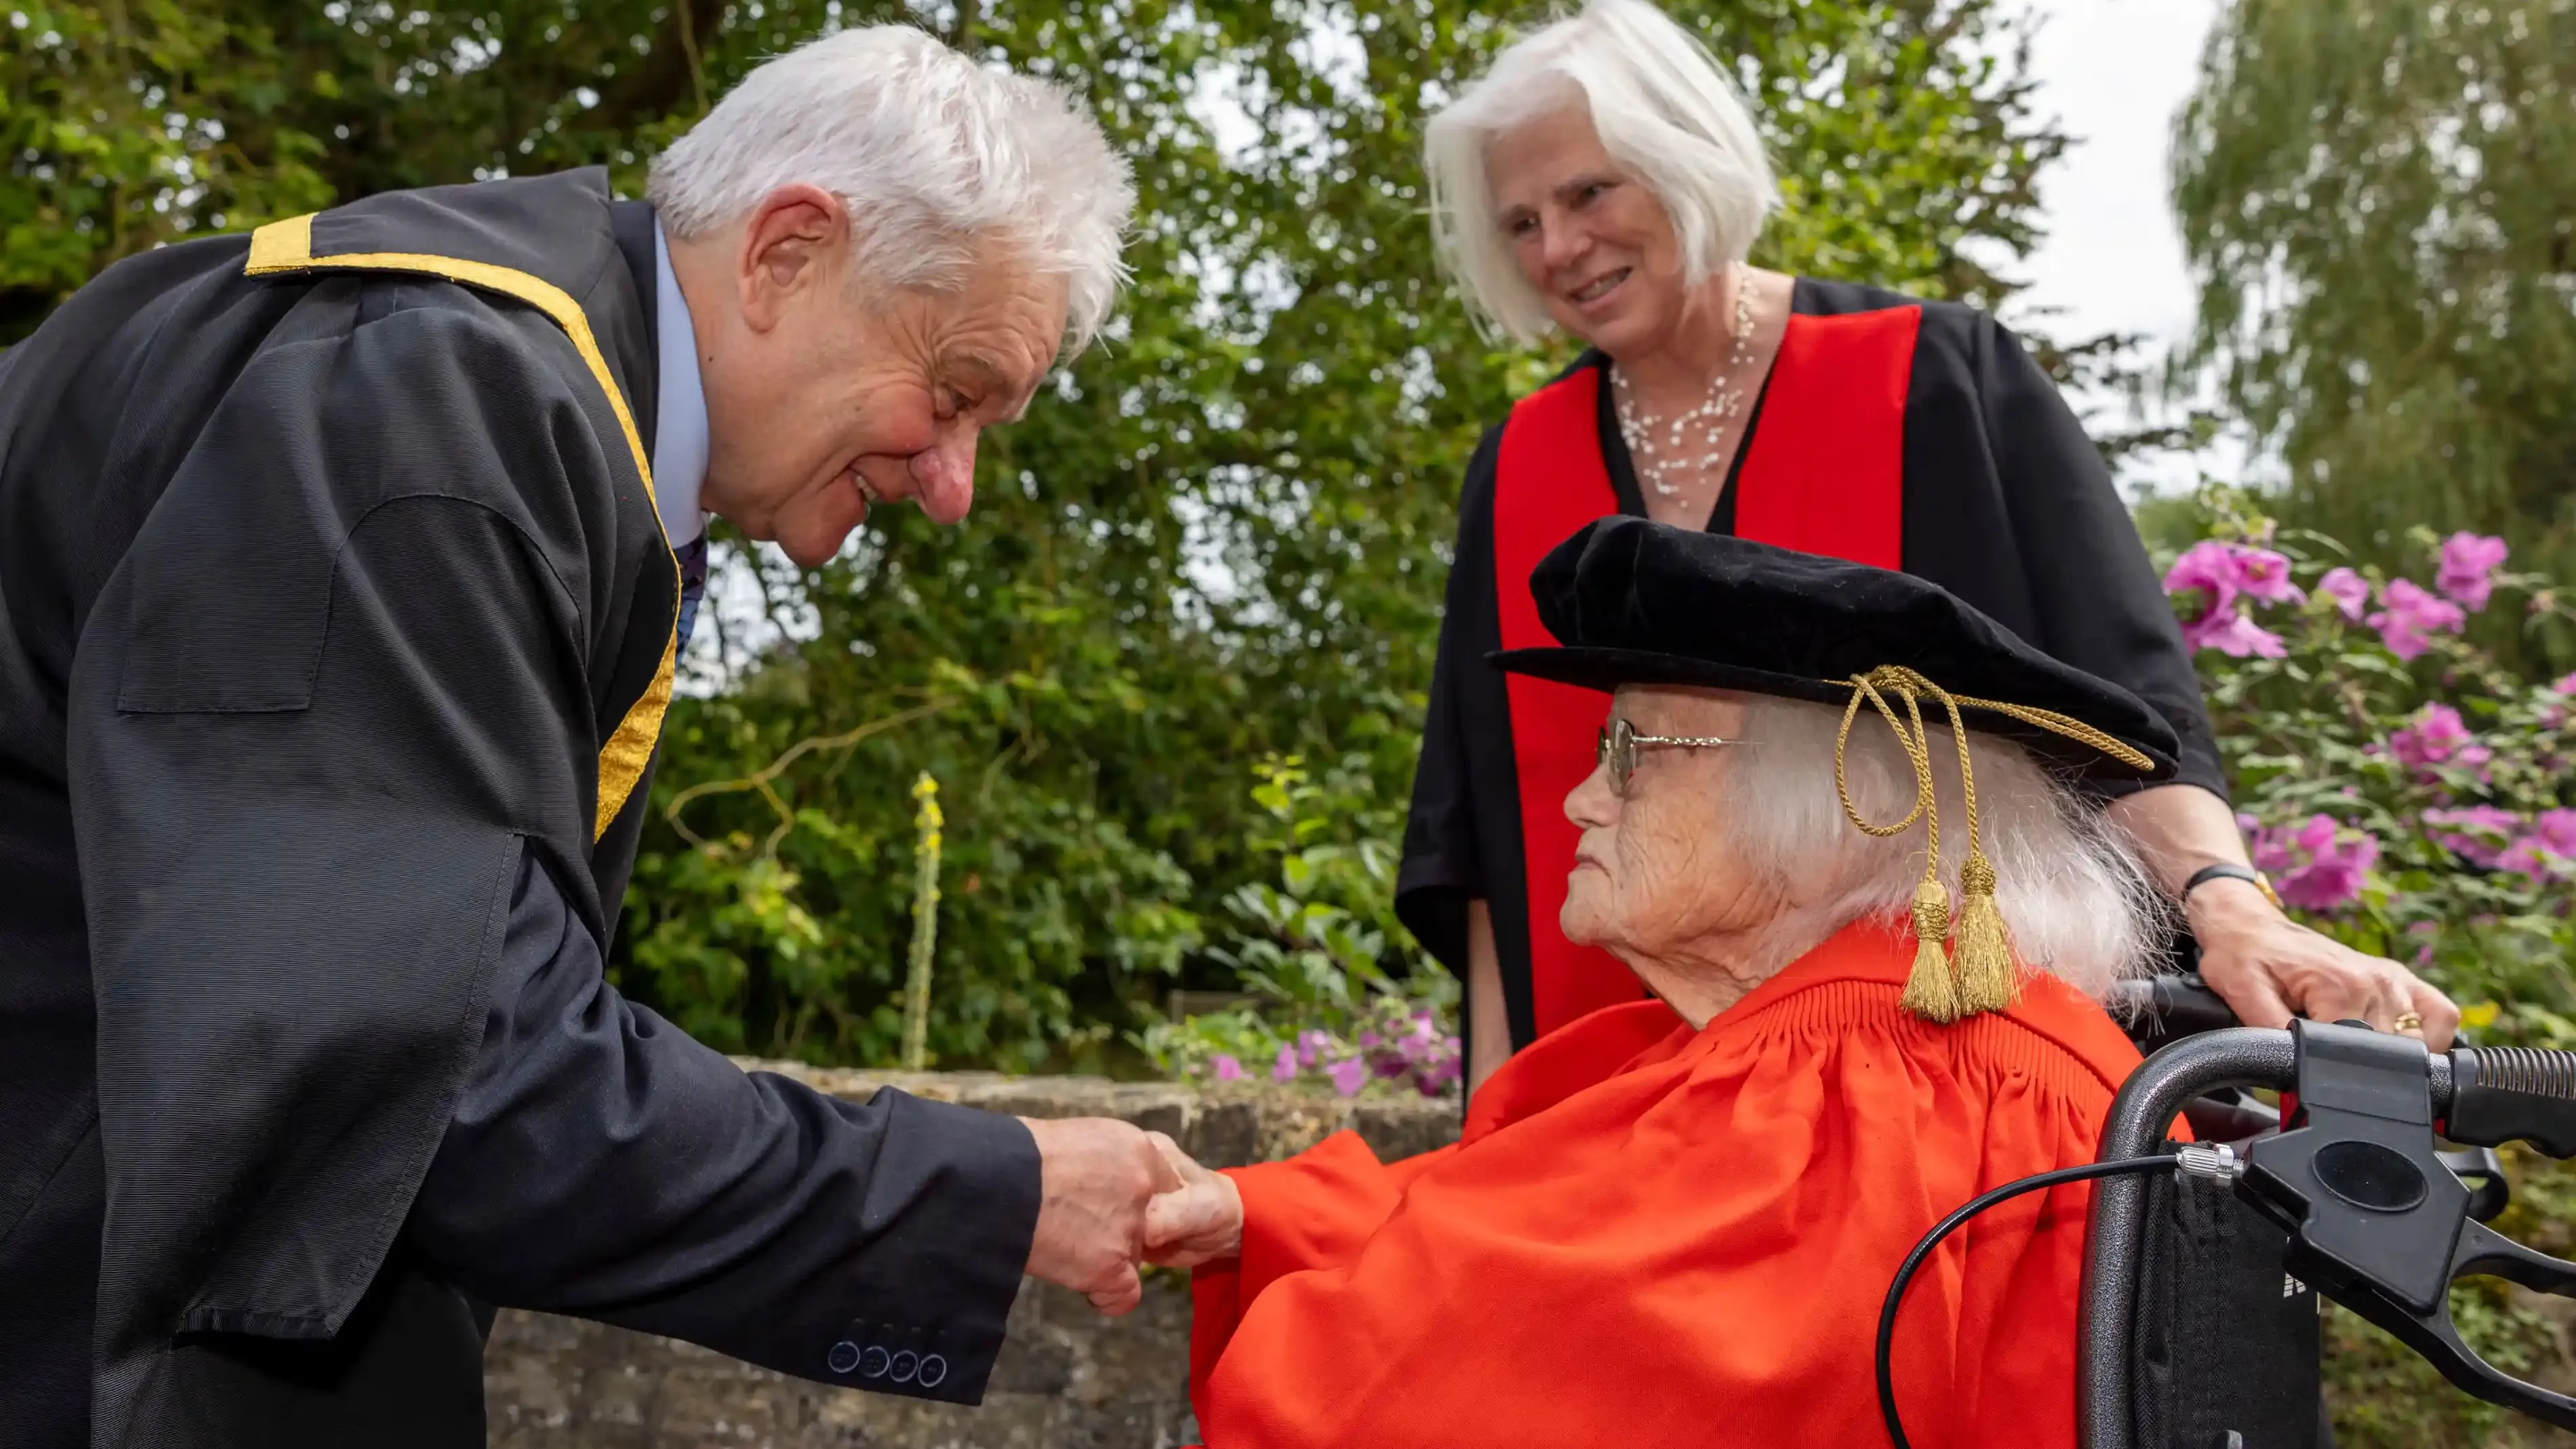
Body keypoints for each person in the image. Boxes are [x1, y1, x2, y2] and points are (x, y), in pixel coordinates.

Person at [0, 26, 1169, 1448]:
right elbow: (436, 1081)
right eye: (957, 389)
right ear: (786, 250)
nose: (953, 485)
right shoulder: (427, 413)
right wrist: (986, 1195)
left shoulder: (528, 395)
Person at [1392, 0, 2459, 1098]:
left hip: (1924, 1095)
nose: (1559, 248)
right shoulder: (1517, 465)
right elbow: (1482, 851)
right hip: (1608, 1111)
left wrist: (2230, 902)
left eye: (1587, 192)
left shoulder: (1937, 381)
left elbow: (2123, 707)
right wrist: (1489, 1134)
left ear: (1686, 159)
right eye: (1519, 222)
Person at [1144, 517, 2209, 1448]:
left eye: (1634, 750)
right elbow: (1518, 1205)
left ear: (1835, 805)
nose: (1581, 801)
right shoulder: (1965, 1047)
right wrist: (1260, 1210)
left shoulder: (1828, 1091)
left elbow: (1400, 1394)